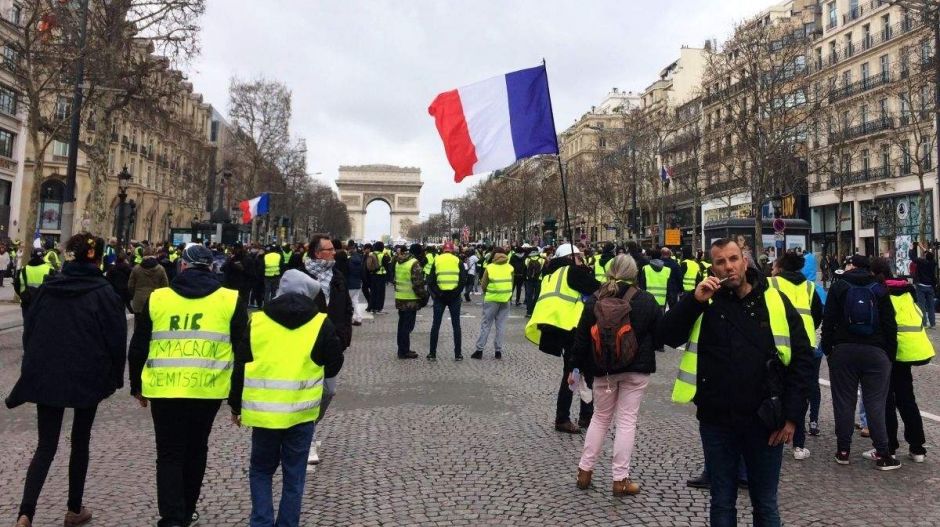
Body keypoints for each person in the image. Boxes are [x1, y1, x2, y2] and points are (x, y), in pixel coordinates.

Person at [662, 238, 814, 527]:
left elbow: (802, 361)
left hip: (765, 421)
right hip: (717, 420)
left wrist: (793, 417)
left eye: (733, 259)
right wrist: (693, 301)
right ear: (712, 267)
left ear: (745, 261)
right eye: (720, 262)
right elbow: (667, 335)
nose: (728, 267)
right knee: (722, 500)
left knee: (765, 503)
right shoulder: (705, 302)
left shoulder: (774, 301)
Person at [6, 233, 127, 527]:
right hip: (88, 373)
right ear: (98, 259)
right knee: (80, 441)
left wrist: (33, 364)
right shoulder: (104, 292)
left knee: (45, 445)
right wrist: (114, 377)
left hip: (48, 372)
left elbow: (30, 330)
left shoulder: (49, 288)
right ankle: (74, 509)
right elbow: (116, 338)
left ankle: (26, 512)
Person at [128, 244, 250, 527]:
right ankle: (187, 509)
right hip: (207, 388)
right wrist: (236, 398)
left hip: (164, 388)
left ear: (182, 266)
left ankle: (171, 516)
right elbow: (242, 352)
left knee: (169, 453)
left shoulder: (159, 299)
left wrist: (137, 385)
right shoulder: (231, 300)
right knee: (196, 449)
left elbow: (138, 345)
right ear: (212, 267)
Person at [229, 270, 343, 527]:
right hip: (301, 412)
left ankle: (261, 521)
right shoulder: (320, 322)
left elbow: (241, 365)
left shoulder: (257, 321)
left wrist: (235, 405)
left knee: (260, 470)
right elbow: (334, 364)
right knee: (294, 475)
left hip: (263, 412)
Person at [571, 254, 662, 496]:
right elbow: (660, 336)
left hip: (604, 369)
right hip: (636, 369)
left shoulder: (595, 300)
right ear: (634, 274)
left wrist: (575, 368)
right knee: (626, 422)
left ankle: (584, 472)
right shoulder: (646, 300)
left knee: (600, 418)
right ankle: (620, 479)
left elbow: (581, 339)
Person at [820, 254, 899, 470]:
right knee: (875, 403)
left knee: (844, 402)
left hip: (844, 350)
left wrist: (829, 348)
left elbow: (829, 320)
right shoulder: (879, 287)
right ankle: (883, 453)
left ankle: (843, 451)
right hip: (876, 352)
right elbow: (890, 323)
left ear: (851, 266)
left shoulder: (839, 286)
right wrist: (888, 353)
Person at [525, 243, 600, 434]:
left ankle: (582, 414)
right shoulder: (572, 272)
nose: (582, 259)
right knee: (577, 372)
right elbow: (597, 289)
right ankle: (567, 417)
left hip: (556, 327)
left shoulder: (551, 273)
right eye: (579, 256)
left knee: (579, 370)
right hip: (572, 328)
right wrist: (585, 270)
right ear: (571, 257)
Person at [872, 257, 933, 463]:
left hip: (889, 353)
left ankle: (890, 446)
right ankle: (918, 448)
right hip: (908, 351)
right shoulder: (906, 291)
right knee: (907, 399)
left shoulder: (880, 292)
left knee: (887, 400)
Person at [302, 234, 353, 465]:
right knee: (309, 393)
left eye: (334, 249)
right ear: (316, 252)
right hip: (306, 342)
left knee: (329, 391)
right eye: (329, 250)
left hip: (332, 341)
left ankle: (309, 427)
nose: (334, 253)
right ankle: (307, 439)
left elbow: (346, 308)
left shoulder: (337, 276)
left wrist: (344, 334)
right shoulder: (301, 276)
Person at [768, 251, 824, 460]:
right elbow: (817, 315)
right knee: (802, 392)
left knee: (774, 390)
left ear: (780, 266)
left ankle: (773, 434)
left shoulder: (771, 284)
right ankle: (799, 445)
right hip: (807, 345)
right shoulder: (810, 287)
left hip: (776, 343)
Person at [427, 241, 466, 361]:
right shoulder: (457, 260)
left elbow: (431, 280)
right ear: (452, 250)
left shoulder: (437, 260)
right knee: (456, 325)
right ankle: (458, 354)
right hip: (454, 297)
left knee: (436, 325)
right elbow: (463, 279)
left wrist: (439, 293)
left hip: (440, 297)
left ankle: (432, 353)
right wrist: (456, 292)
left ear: (443, 250)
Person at [473, 247, 513, 359]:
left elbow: (483, 284)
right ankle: (498, 351)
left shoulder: (489, 267)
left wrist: (487, 292)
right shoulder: (510, 268)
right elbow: (512, 283)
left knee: (486, 325)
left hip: (491, 299)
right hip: (505, 299)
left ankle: (479, 350)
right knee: (501, 326)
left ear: (493, 255)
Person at [394, 244, 428, 359]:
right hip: (410, 299)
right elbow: (418, 284)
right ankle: (403, 352)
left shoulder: (399, 261)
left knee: (401, 325)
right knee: (407, 327)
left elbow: (395, 280)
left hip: (400, 298)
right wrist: (424, 296)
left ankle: (402, 349)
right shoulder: (414, 263)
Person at [128, 247, 169, 319]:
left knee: (138, 326)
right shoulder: (160, 269)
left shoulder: (136, 268)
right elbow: (165, 286)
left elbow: (130, 286)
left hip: (139, 301)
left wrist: (136, 294)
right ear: (154, 255)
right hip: (155, 301)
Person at [14, 248, 55, 317]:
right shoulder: (50, 270)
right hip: (43, 303)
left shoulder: (24, 270)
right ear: (43, 257)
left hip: (27, 302)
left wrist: (23, 295)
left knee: (28, 325)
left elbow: (17, 285)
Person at [911, 245, 937, 329]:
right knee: (931, 306)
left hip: (921, 286)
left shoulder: (921, 262)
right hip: (930, 287)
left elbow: (913, 258)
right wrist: (922, 248)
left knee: (921, 305)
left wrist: (912, 249)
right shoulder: (933, 263)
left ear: (925, 256)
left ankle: (924, 323)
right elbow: (930, 256)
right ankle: (932, 324)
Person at [366, 241, 389, 313]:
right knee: (380, 293)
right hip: (381, 275)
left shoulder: (371, 254)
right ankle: (379, 307)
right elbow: (387, 266)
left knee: (373, 292)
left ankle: (371, 306)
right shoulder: (383, 255)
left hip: (373, 274)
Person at [346, 240, 365, 327]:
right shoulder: (360, 259)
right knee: (355, 302)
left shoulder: (349, 260)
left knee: (347, 302)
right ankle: (358, 318)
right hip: (357, 283)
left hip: (350, 283)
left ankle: (349, 318)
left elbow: (348, 271)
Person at [524, 249, 545, 317]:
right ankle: (535, 310)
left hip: (529, 280)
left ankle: (529, 311)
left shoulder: (527, 260)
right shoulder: (542, 260)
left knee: (529, 295)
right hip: (538, 280)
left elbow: (525, 269)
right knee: (537, 295)